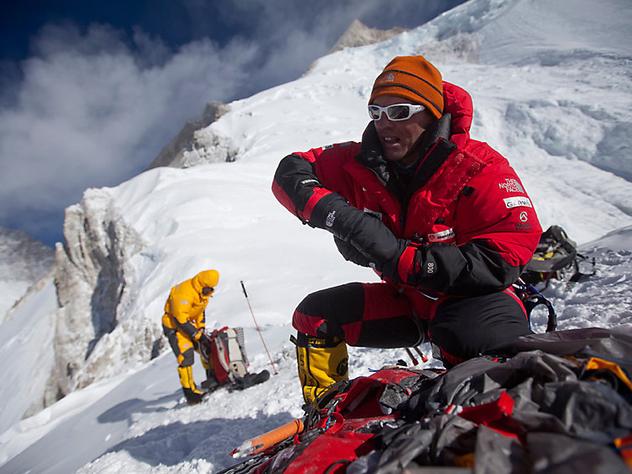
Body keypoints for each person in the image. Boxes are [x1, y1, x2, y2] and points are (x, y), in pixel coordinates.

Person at [272, 55, 543, 404]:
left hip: (474, 299)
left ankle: (479, 417)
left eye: (399, 112)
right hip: (408, 303)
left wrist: (405, 259)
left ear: (431, 114)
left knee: (477, 349)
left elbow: (503, 256)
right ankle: (324, 411)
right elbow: (291, 172)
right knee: (314, 315)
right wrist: (343, 219)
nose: (385, 124)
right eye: (376, 112)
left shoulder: (479, 166)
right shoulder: (361, 163)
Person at [162, 269, 220, 404]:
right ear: (202, 284)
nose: (210, 291)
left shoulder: (203, 293)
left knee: (206, 348)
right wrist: (197, 335)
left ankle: (212, 378)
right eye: (208, 288)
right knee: (186, 356)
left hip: (188, 325)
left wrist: (201, 328)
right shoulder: (184, 293)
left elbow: (200, 312)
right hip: (175, 326)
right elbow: (180, 319)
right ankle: (190, 393)